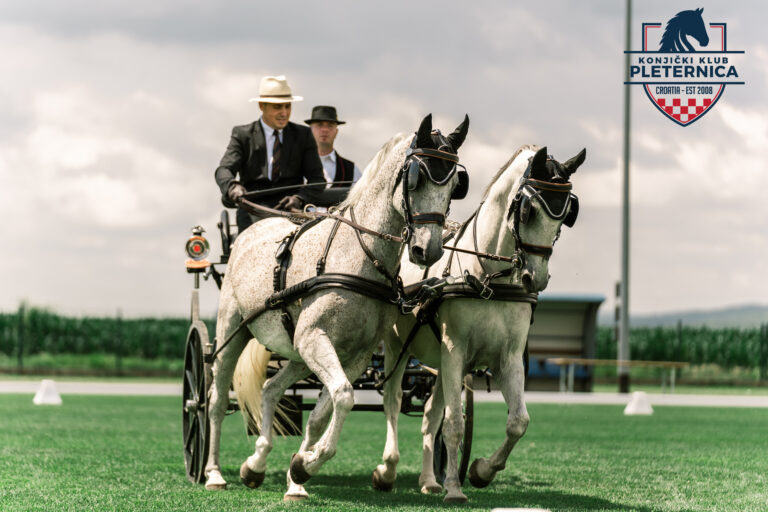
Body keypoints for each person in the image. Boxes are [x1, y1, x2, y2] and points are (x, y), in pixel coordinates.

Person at [214, 75, 325, 232]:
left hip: (292, 213)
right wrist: (232, 187)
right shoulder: (243, 135)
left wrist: (299, 199)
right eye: (277, 107)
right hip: (252, 211)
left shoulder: (303, 135)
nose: (284, 113)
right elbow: (223, 170)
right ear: (261, 106)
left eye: (287, 106)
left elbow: (317, 180)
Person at [305, 106, 362, 190]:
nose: (325, 129)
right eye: (319, 125)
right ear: (310, 130)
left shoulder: (352, 170)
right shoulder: (295, 165)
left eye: (330, 125)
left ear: (336, 132)